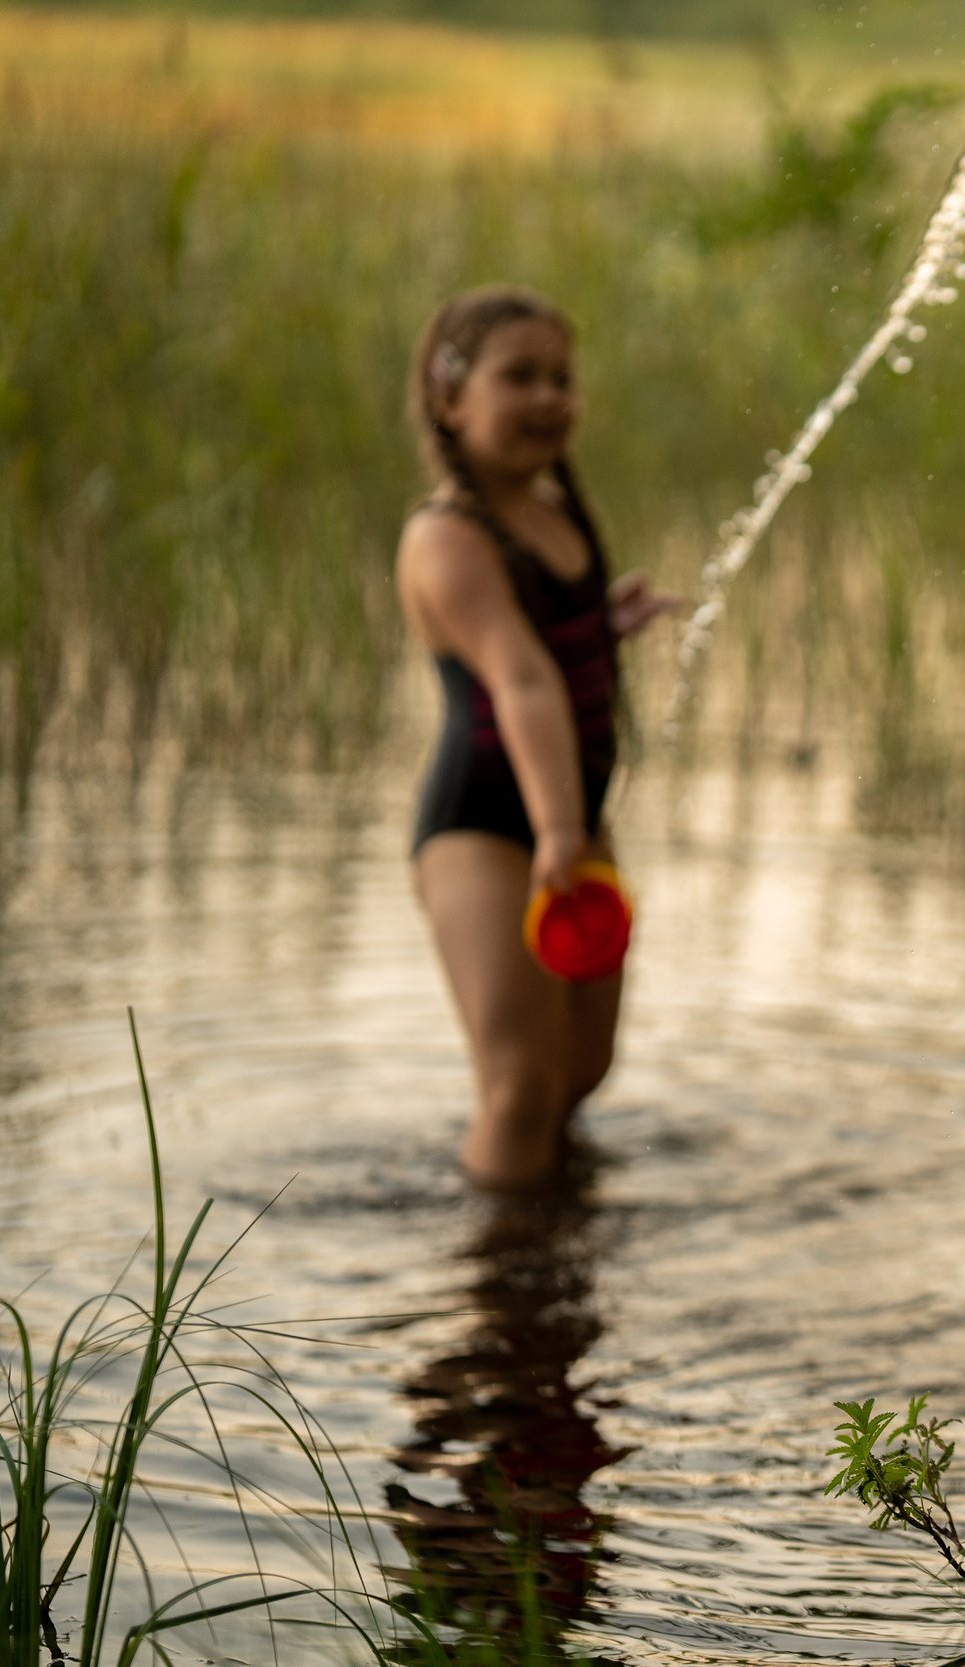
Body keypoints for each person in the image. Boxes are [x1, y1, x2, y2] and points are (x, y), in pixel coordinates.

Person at [397, 287, 676, 1189]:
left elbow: (546, 643)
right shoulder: (449, 537)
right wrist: (558, 833)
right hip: (487, 823)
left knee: (580, 1072)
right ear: (450, 399)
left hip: (568, 815)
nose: (551, 398)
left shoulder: (552, 514)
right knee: (519, 1085)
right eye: (520, 377)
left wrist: (598, 626)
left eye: (562, 378)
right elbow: (517, 675)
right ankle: (495, 1270)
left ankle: (553, 1228)